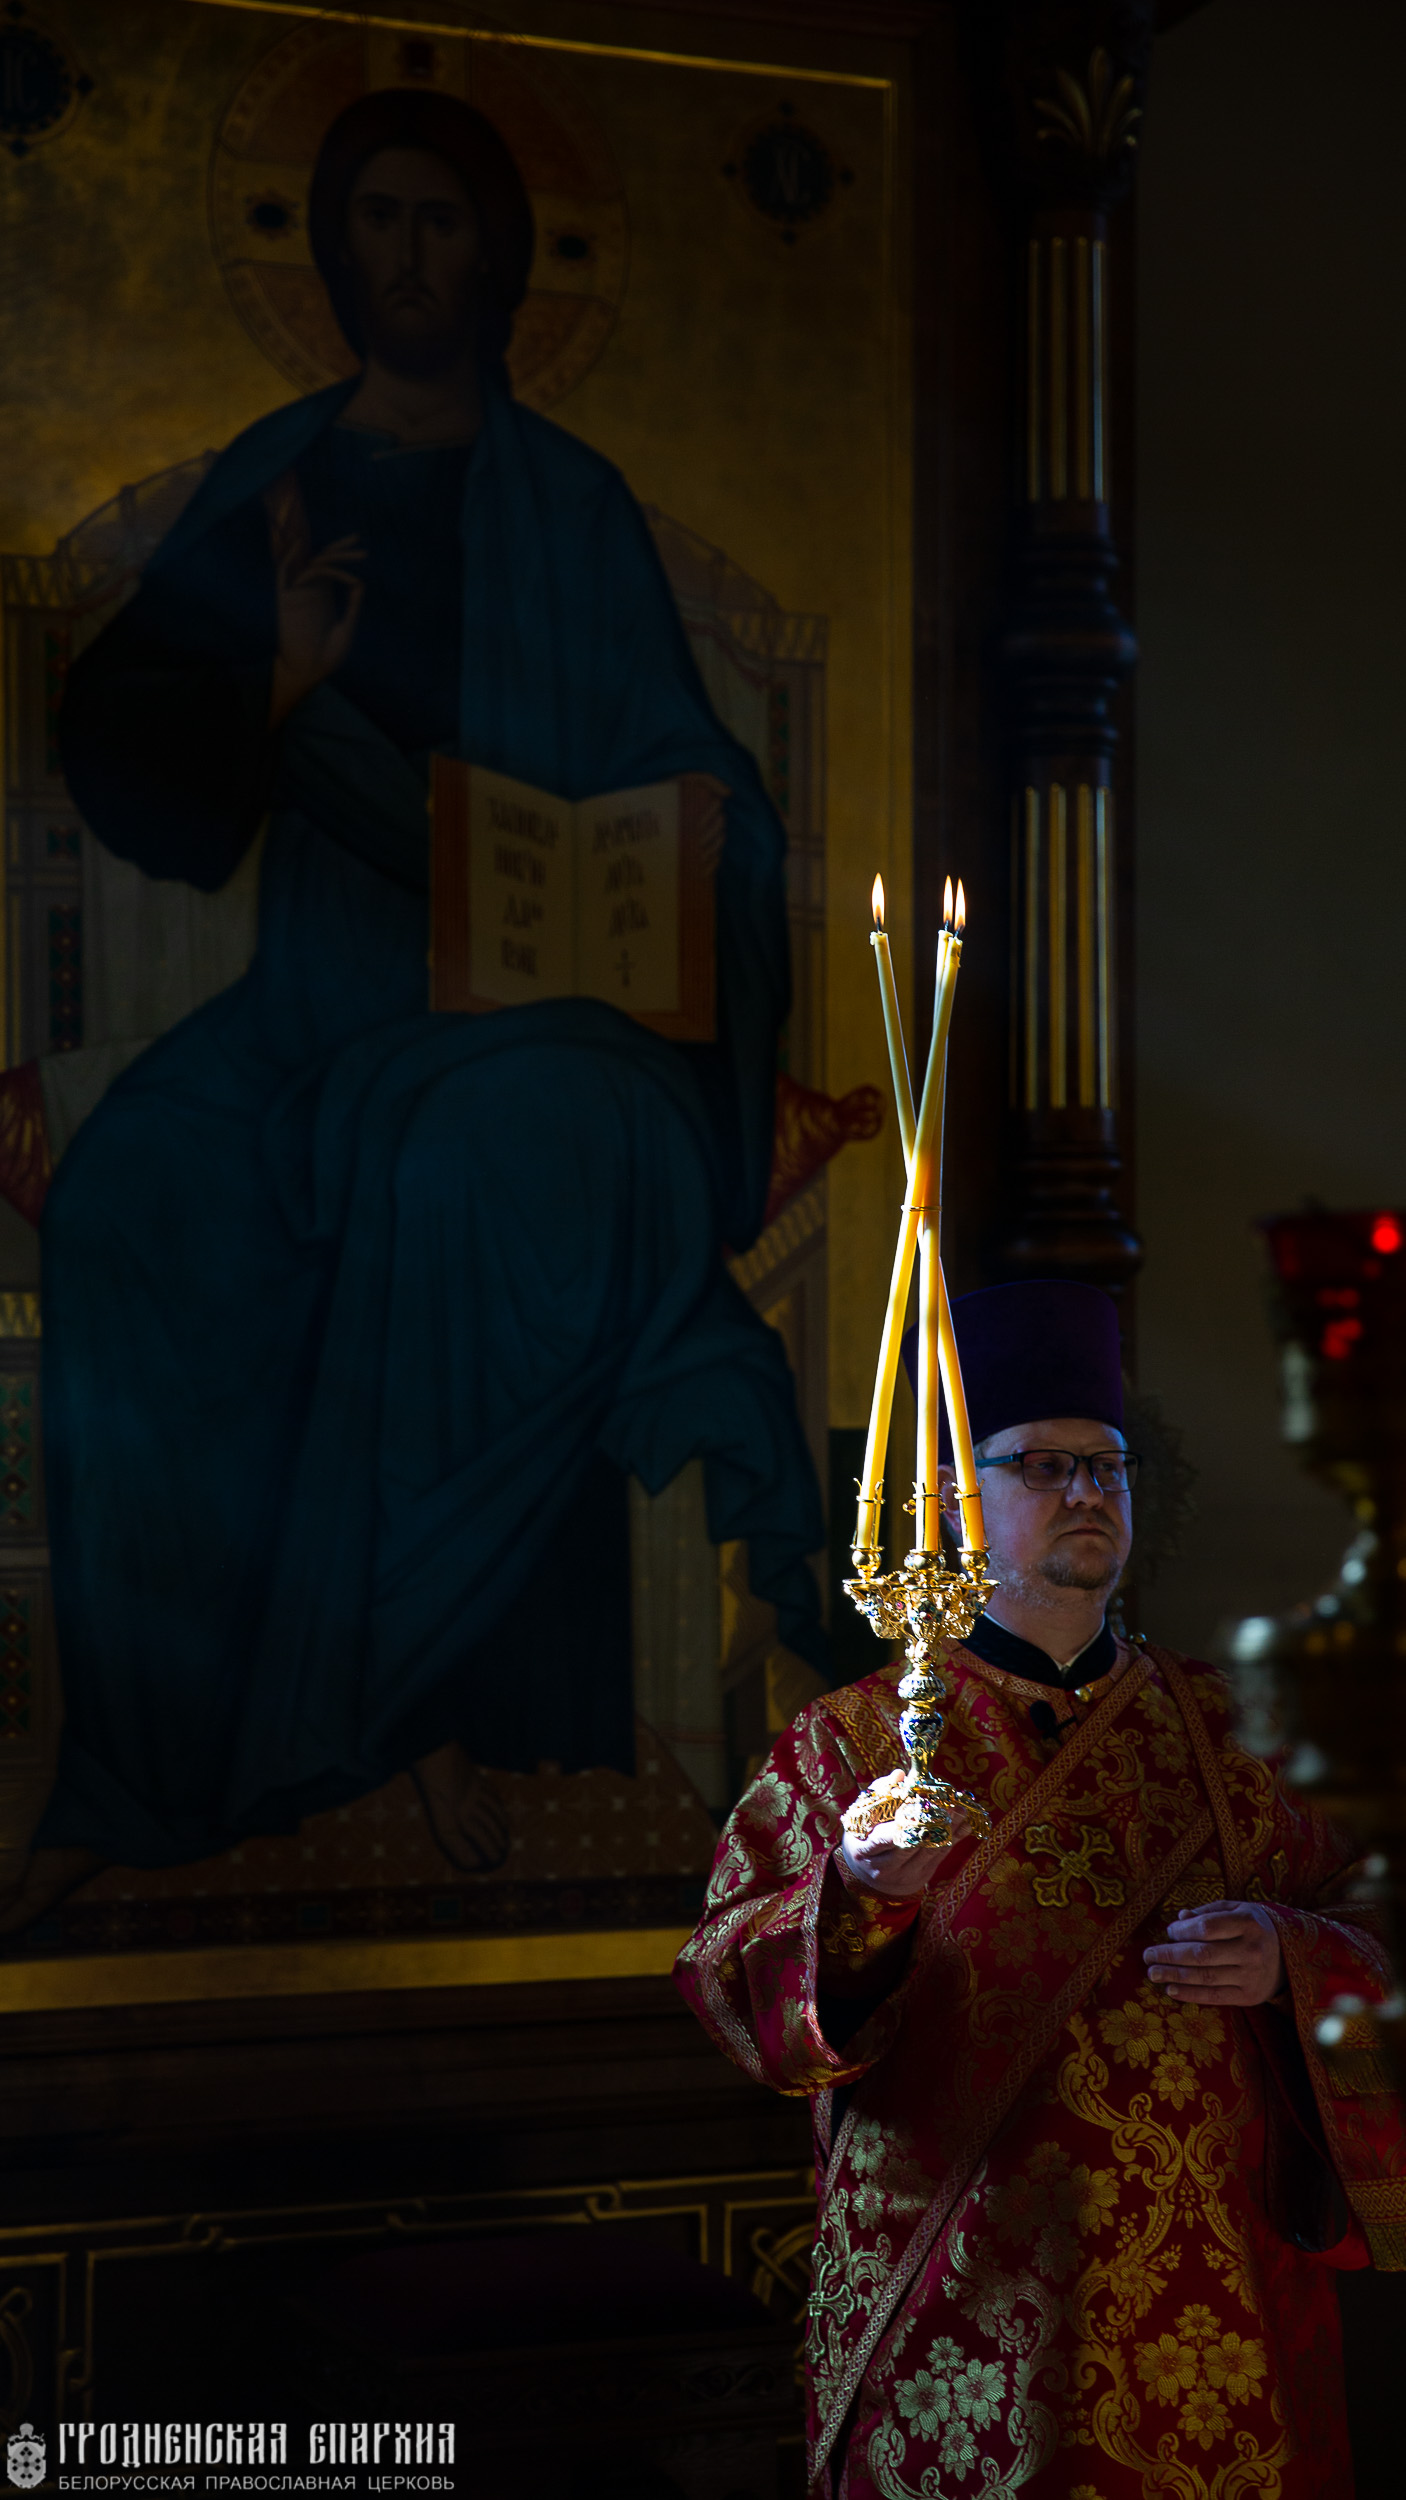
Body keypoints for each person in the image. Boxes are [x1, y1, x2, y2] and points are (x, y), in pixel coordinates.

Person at [5, 88, 824, 1926]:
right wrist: (276, 688)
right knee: (132, 1200)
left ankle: (404, 1708)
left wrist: (695, 833)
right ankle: (138, 1774)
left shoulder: (569, 505)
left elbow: (691, 763)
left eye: (440, 219)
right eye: (374, 217)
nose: (407, 253)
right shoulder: (280, 475)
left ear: (503, 256)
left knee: (447, 1176)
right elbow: (123, 739)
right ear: (328, 247)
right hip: (314, 996)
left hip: (537, 1006)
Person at [676, 1278, 1406, 2498]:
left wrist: (1291, 1952)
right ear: (953, 1497)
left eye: (1108, 1466)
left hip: (1222, 2303)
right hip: (960, 2293)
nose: (1085, 1492)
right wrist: (856, 1893)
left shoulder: (1237, 1729)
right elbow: (727, 1981)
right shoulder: (850, 1743)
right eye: (1042, 1466)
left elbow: (1376, 1911)